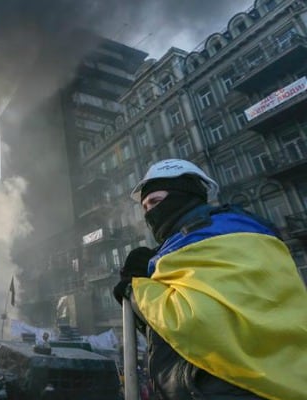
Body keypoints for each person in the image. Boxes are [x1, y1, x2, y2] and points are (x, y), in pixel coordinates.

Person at [113, 158, 307, 400]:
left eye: (156, 202)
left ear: (183, 195)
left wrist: (136, 287)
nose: (150, 213)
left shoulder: (214, 236)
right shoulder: (247, 228)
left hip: (233, 388)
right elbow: (175, 339)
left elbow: (197, 321)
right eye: (145, 208)